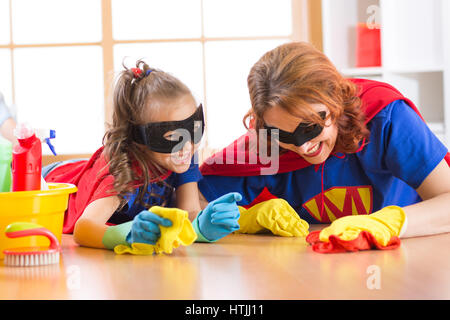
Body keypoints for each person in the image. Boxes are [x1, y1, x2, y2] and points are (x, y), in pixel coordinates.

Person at [198, 42, 450, 251]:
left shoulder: (387, 119)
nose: (304, 147)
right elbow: (192, 207)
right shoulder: (266, 144)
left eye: (311, 128)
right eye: (281, 134)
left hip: (404, 259)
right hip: (309, 266)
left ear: (335, 99)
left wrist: (389, 223)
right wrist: (249, 219)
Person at [44, 61, 241, 250]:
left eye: (194, 130)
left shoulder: (183, 156)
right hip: (51, 183)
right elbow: (84, 228)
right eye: (173, 137)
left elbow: (188, 211)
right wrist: (125, 236)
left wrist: (201, 225)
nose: (187, 146)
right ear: (138, 137)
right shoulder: (122, 170)